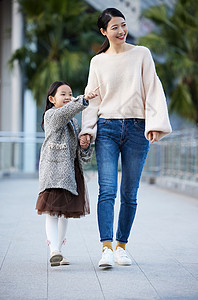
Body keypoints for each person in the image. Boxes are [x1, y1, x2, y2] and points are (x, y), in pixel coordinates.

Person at [79, 8, 172, 268]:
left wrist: (154, 124)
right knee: (106, 191)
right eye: (114, 27)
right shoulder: (97, 62)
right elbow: (92, 99)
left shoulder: (142, 54)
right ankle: (106, 248)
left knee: (129, 193)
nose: (121, 31)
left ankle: (122, 246)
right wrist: (88, 130)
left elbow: (153, 89)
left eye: (123, 25)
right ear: (103, 31)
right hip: (107, 128)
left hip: (136, 130)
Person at [36, 81, 98, 267]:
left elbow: (82, 155)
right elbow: (64, 113)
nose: (68, 97)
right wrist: (83, 99)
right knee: (52, 213)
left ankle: (59, 251)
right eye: (63, 94)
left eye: (70, 94)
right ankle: (53, 249)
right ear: (52, 99)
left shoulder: (74, 121)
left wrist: (85, 145)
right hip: (54, 172)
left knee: (64, 214)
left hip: (70, 172)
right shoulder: (51, 115)